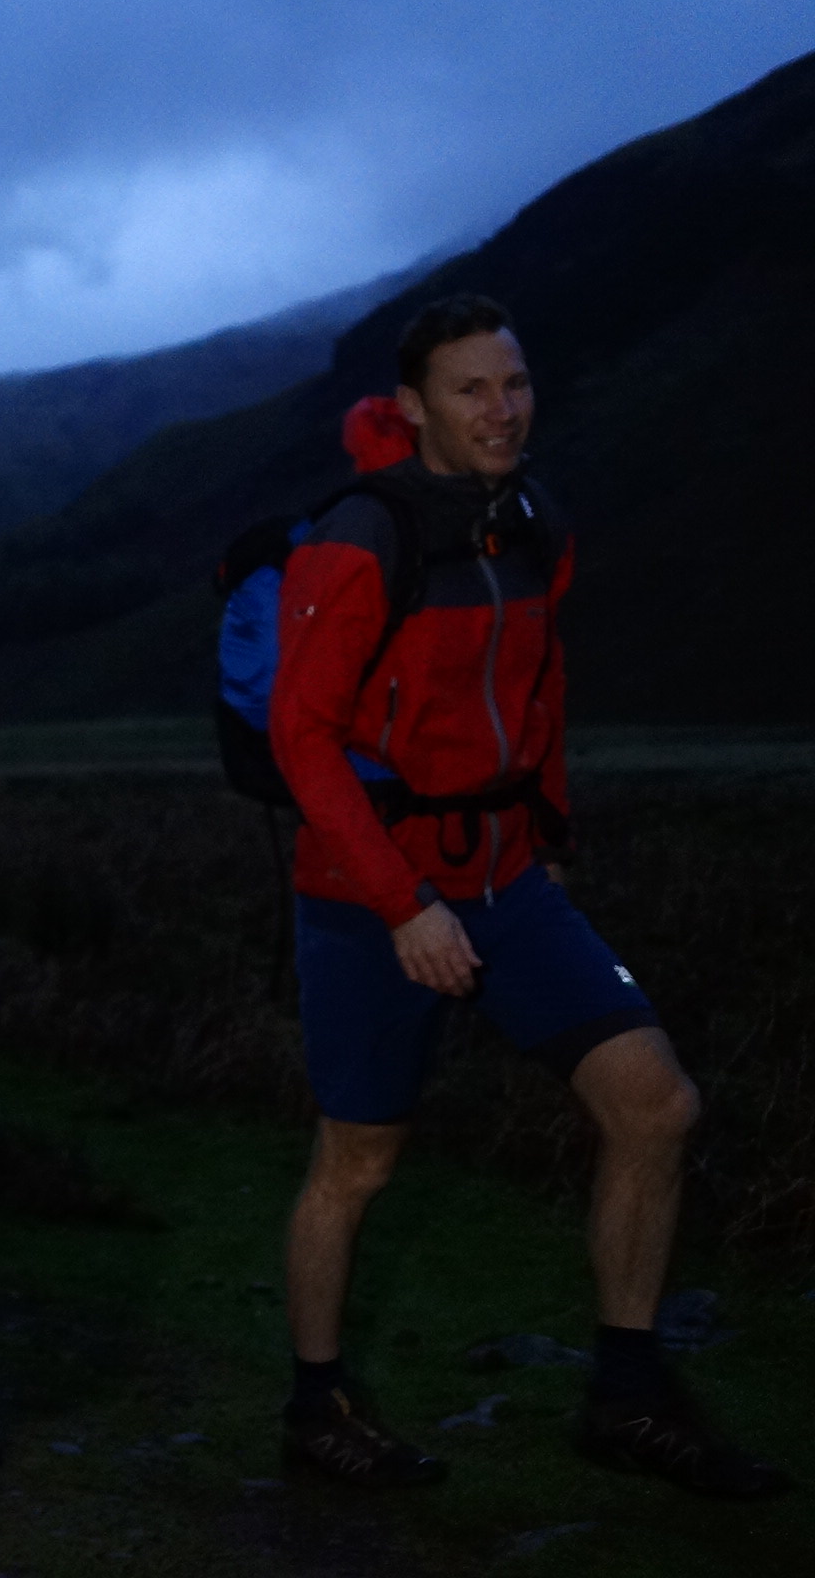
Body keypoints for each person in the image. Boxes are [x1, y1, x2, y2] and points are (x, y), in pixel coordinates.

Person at [268, 294, 787, 1499]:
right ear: (413, 406)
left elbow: (538, 689)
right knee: (356, 1160)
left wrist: (546, 840)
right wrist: (402, 904)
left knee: (654, 1103)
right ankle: (315, 1404)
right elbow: (300, 737)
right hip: (368, 892)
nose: (500, 409)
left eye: (513, 383)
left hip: (504, 878)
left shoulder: (532, 521)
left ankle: (625, 1395)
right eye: (470, 389)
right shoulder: (359, 533)